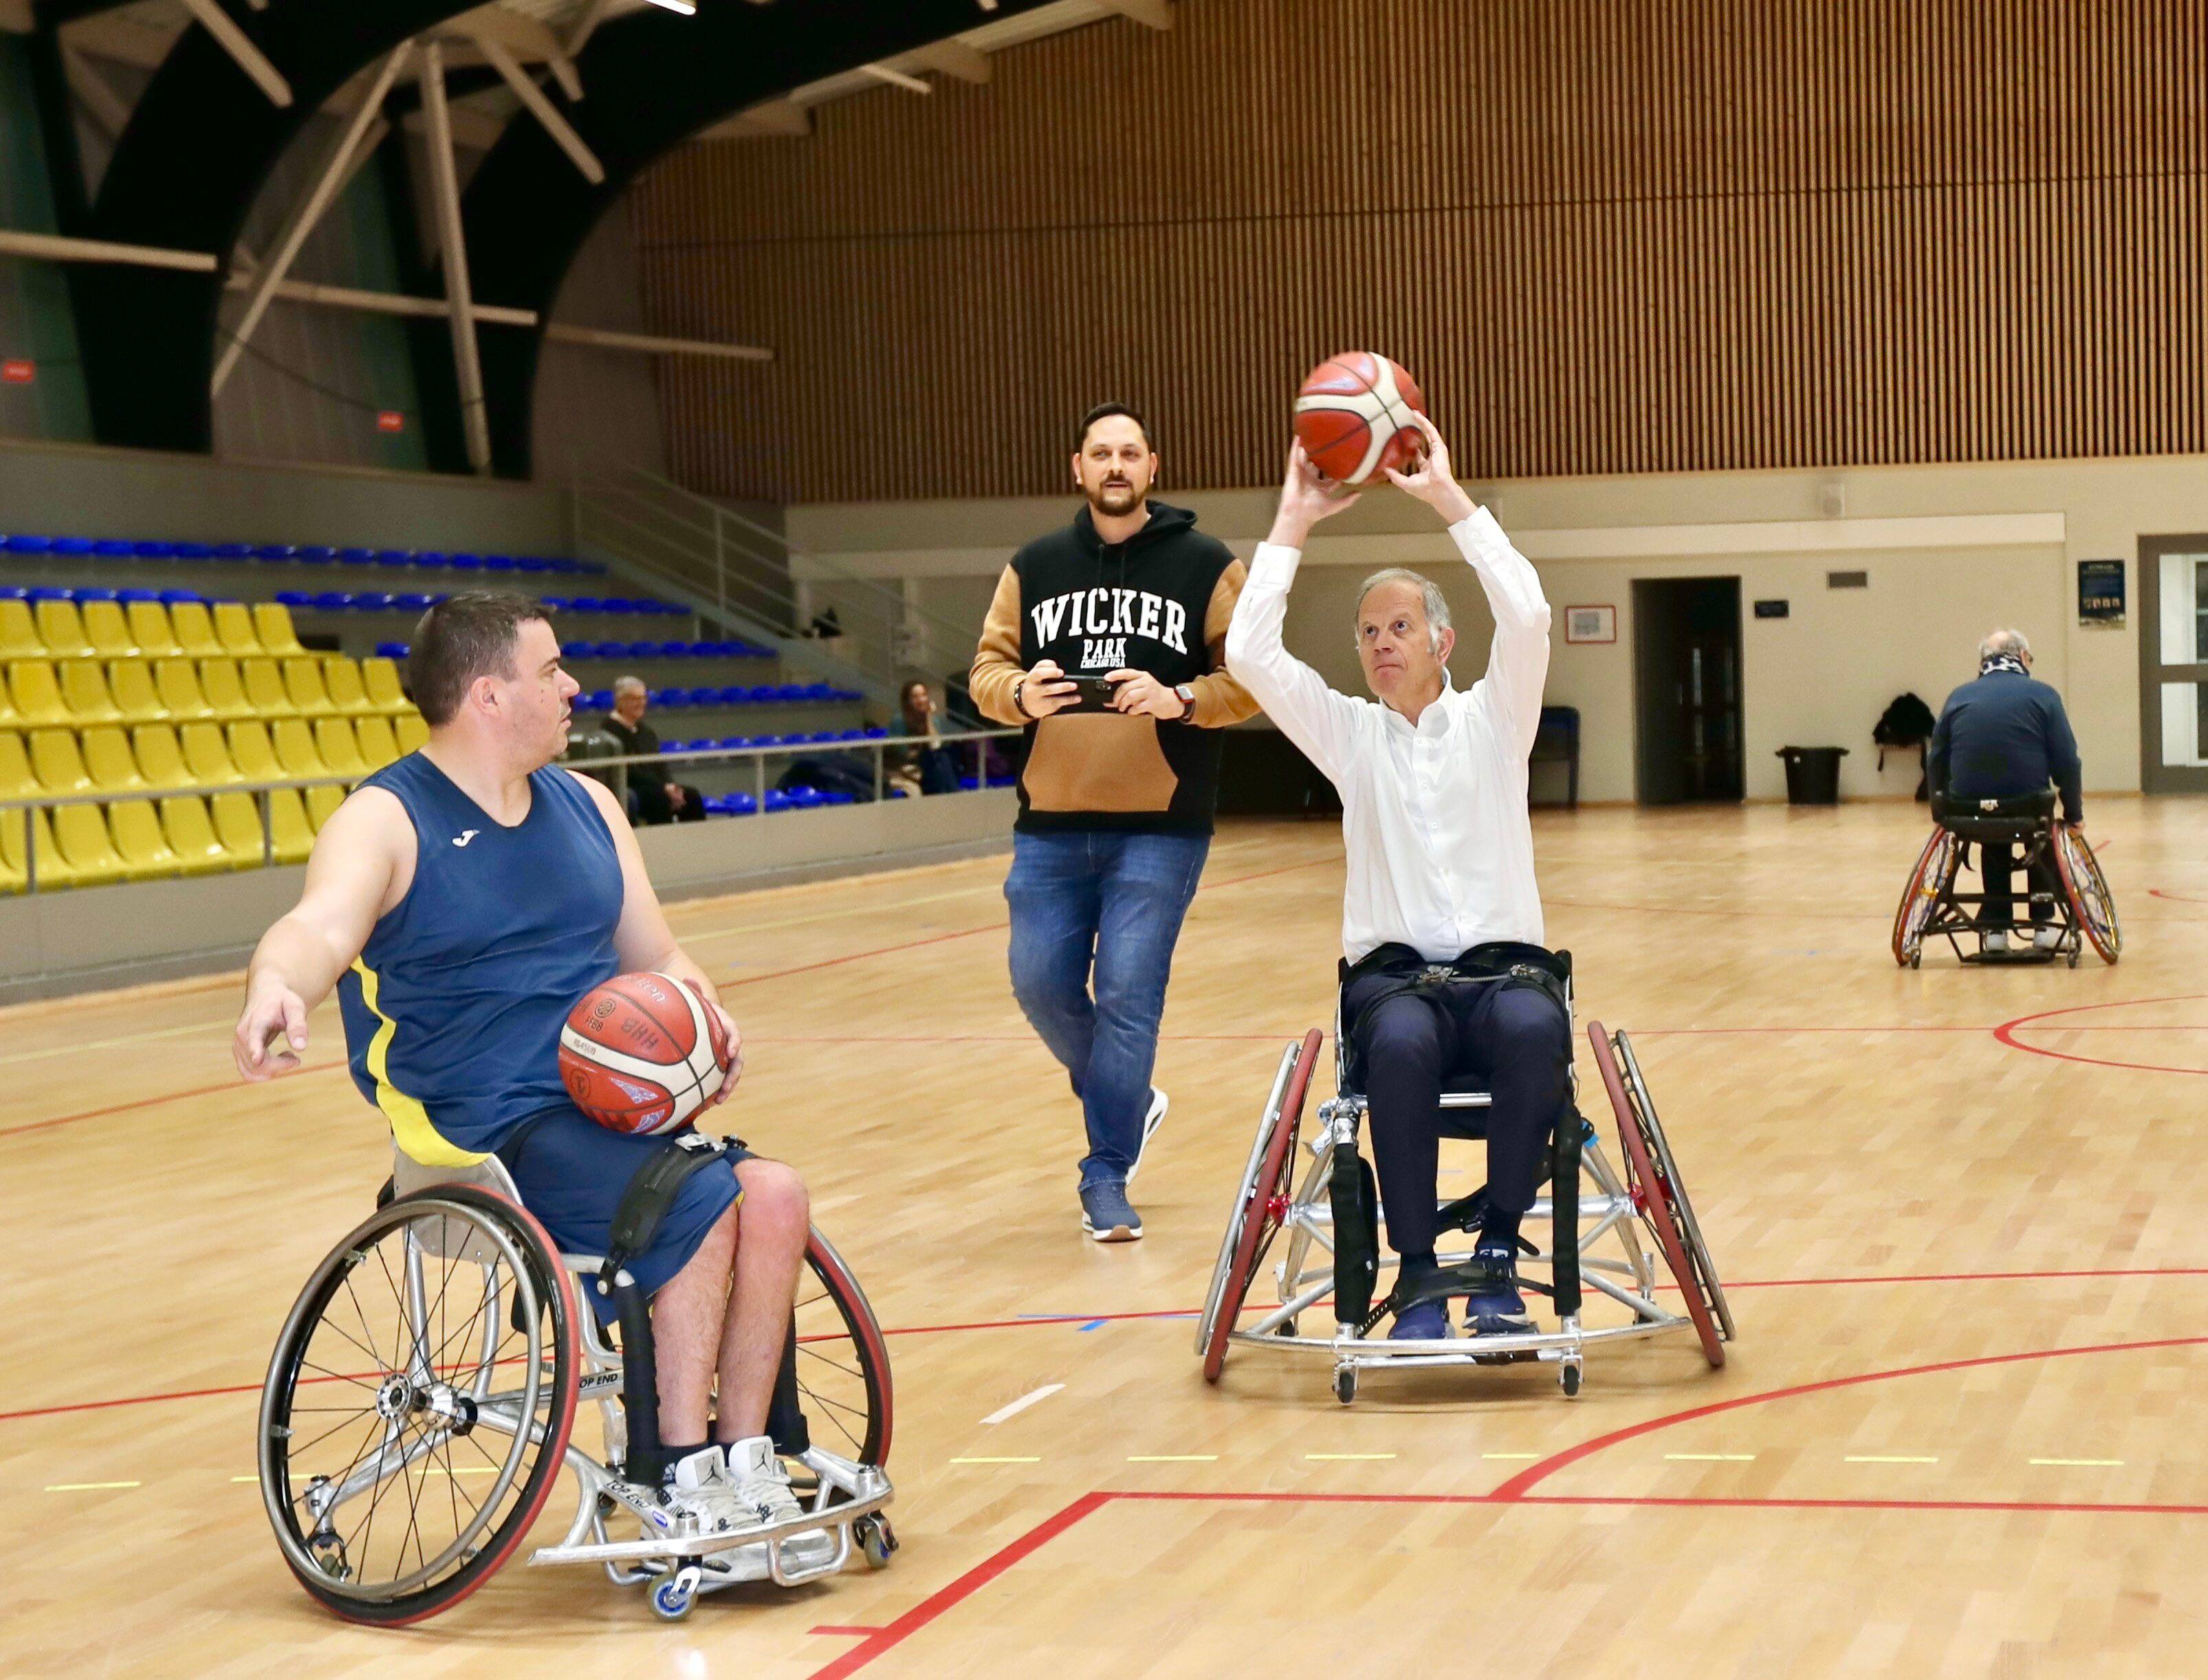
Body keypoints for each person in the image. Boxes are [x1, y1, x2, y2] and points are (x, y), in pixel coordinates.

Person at [230, 591, 824, 1584]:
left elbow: (661, 951)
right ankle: (675, 1469)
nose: (573, 687)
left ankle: (744, 1457)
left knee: (777, 1193)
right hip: (480, 1123)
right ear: (487, 692)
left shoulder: (587, 804)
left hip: (606, 1105)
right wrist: (273, 987)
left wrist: (703, 1023)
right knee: (709, 1196)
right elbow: (318, 927)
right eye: (553, 671)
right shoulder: (386, 816)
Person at [1225, 417, 1566, 1342]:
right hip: (1392, 981)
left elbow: (1528, 615)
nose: (1380, 641)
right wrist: (1291, 521)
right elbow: (1249, 656)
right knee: (1403, 1048)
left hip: (1505, 975)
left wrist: (1446, 499)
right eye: (1368, 630)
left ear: (1442, 640)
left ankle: (1496, 1255)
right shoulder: (1347, 734)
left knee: (1539, 1025)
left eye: (1399, 625)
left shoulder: (1496, 722)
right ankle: (1415, 1271)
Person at [970, 402, 1260, 1241]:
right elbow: (988, 670)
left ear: (1152, 465)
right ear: (1078, 468)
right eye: (1101, 452)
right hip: (1050, 823)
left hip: (1160, 825)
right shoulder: (1034, 564)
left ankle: (1106, 1172)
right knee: (1038, 984)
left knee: (1130, 996)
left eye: (1129, 451)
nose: (1115, 465)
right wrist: (1020, 693)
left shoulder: (1207, 563)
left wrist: (1178, 698)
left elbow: (1247, 678)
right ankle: (1129, 1096)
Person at [1926, 627, 2083, 953]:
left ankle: (1995, 930)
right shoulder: (2043, 695)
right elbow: (2067, 761)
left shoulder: (1958, 697)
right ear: (2023, 657)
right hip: (2027, 805)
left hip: (1967, 808)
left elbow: (1936, 760)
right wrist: (2074, 814)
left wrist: (1940, 811)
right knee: (2041, 831)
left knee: (1991, 832)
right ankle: (2044, 925)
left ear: (1984, 662)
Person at [604, 676, 705, 825]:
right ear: (620, 700)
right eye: (635, 699)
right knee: (659, 798)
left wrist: (671, 785)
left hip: (657, 786)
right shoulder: (609, 730)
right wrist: (663, 787)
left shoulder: (646, 731)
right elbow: (629, 771)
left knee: (691, 796)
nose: (641, 703)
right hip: (632, 787)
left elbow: (659, 764)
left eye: (643, 698)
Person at [889, 678, 963, 798]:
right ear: (908, 700)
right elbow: (901, 752)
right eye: (915, 697)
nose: (921, 700)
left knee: (942, 758)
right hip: (909, 767)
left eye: (923, 695)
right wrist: (919, 752)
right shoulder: (900, 720)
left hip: (929, 764)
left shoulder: (932, 719)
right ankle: (953, 795)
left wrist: (929, 716)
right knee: (940, 761)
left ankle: (951, 795)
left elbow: (936, 745)